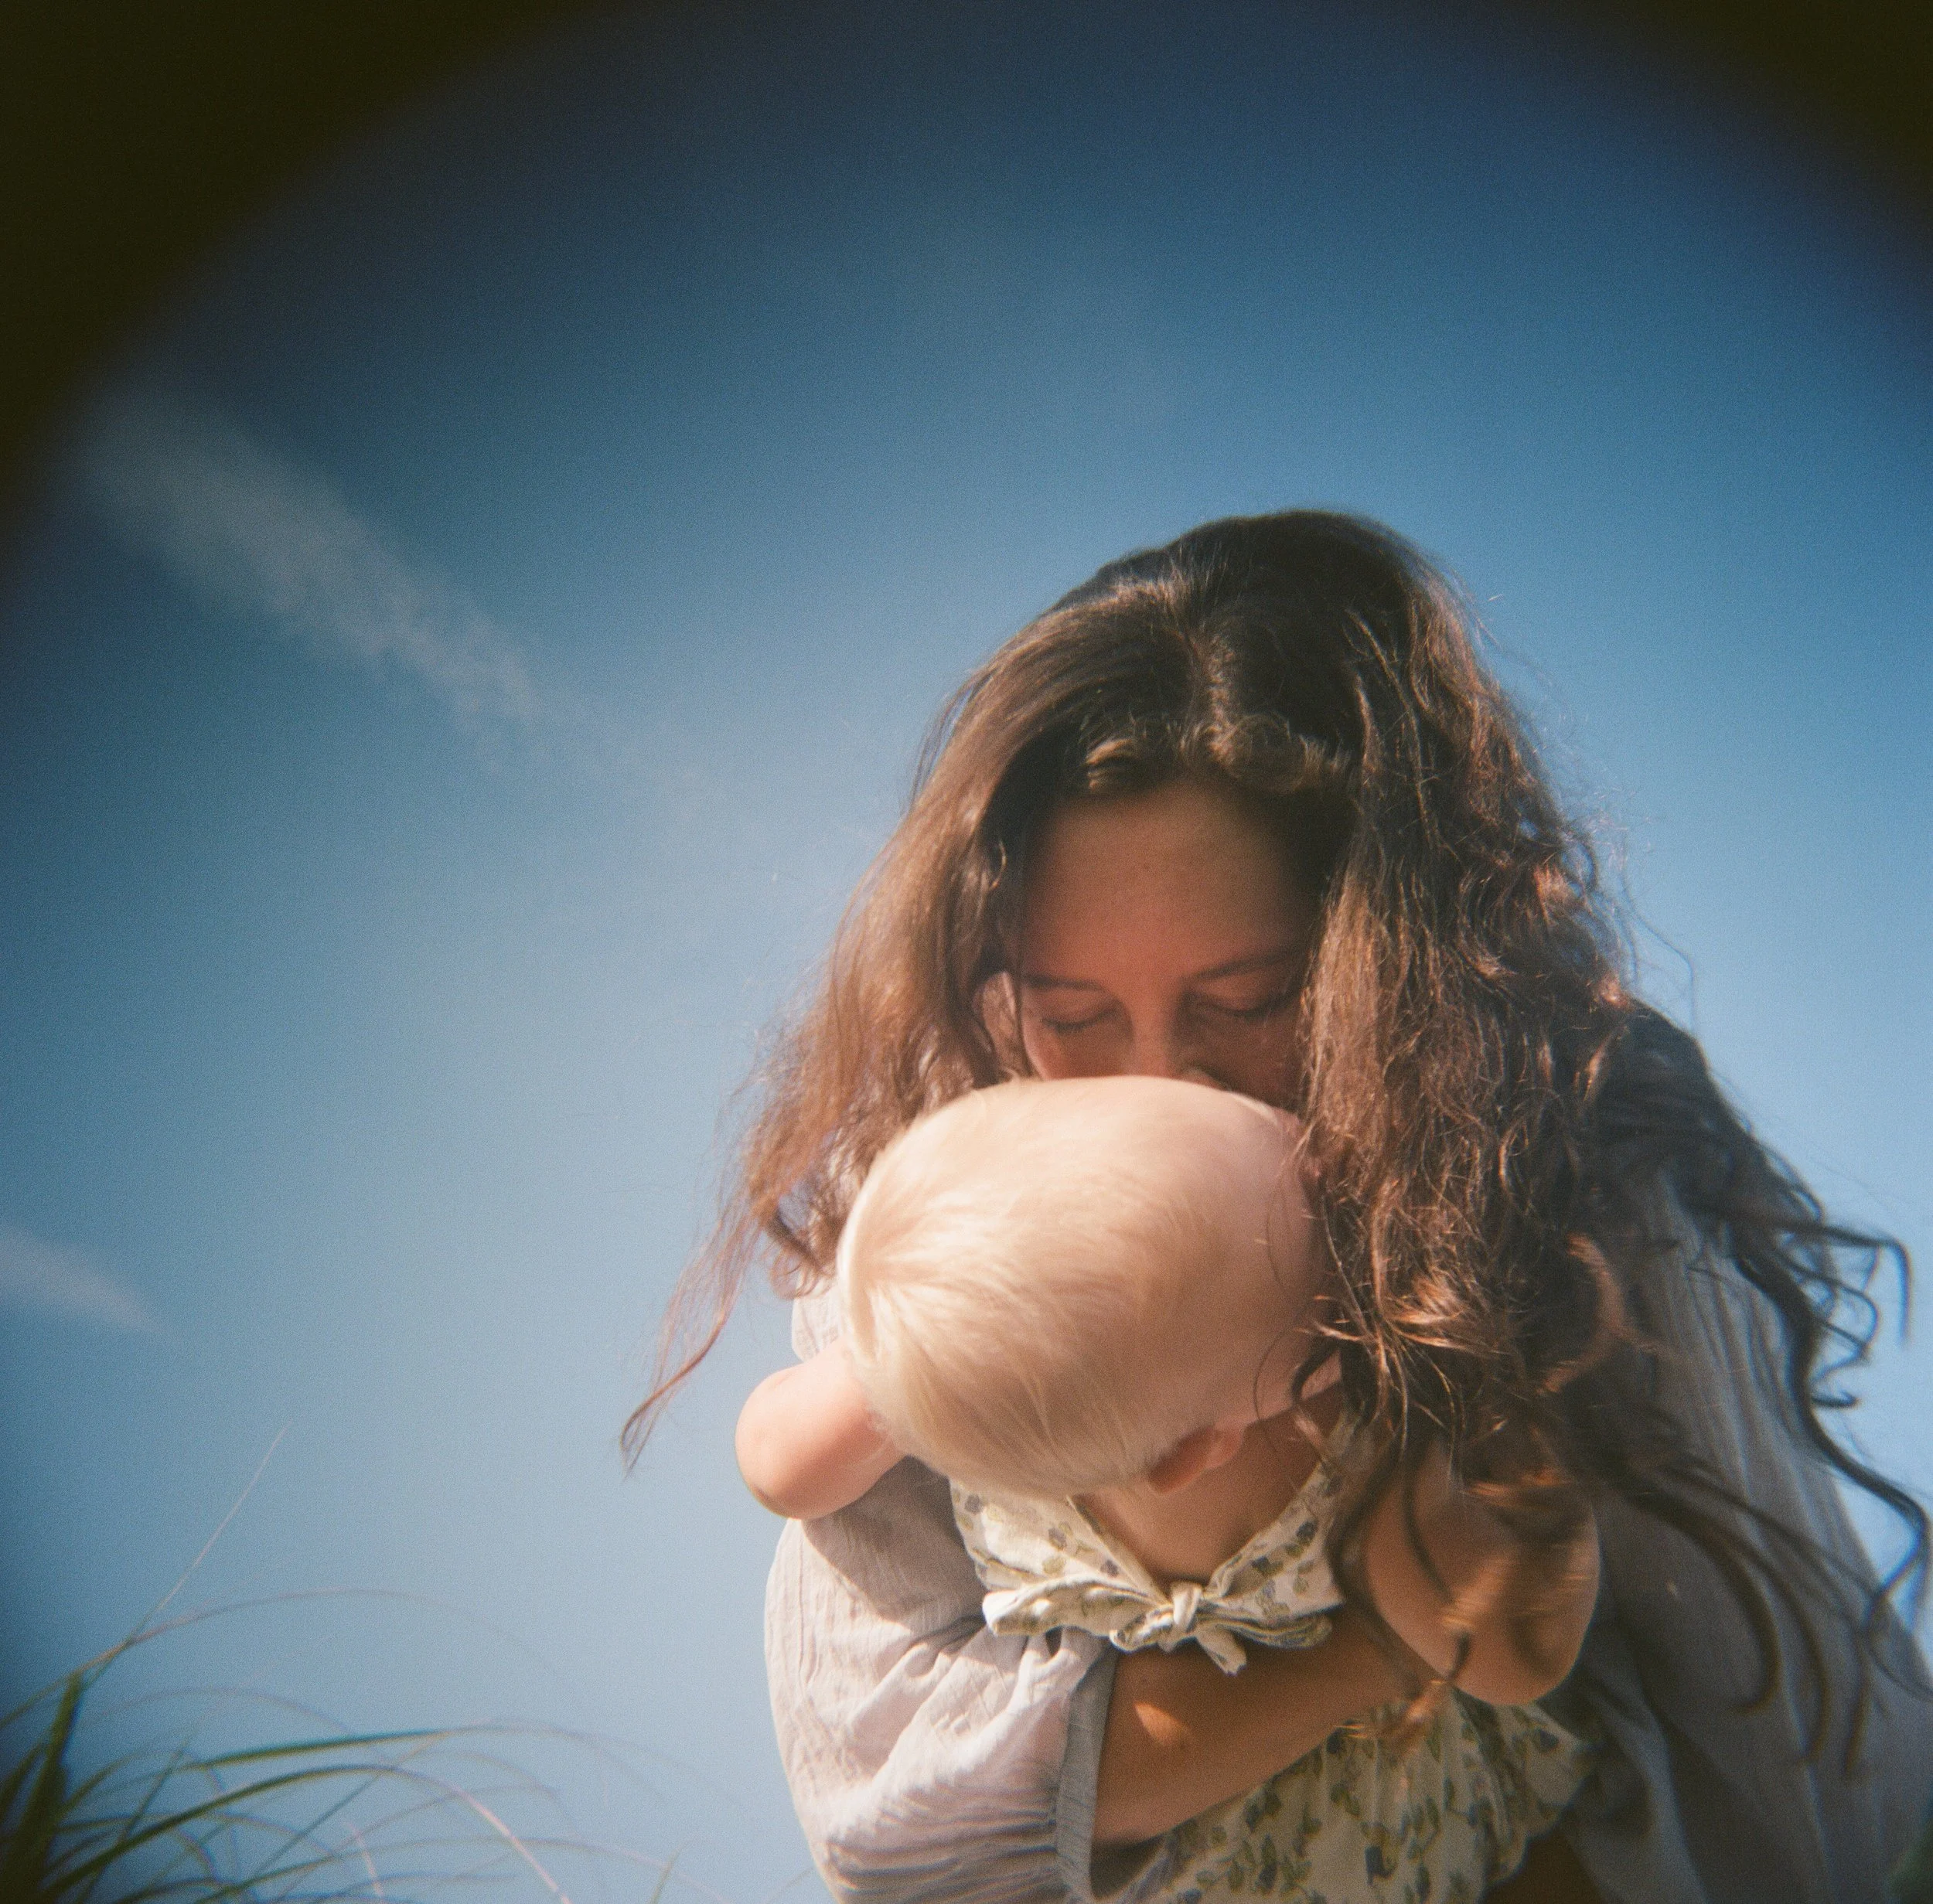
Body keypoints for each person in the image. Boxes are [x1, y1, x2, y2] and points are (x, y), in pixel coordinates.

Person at [630, 511, 1933, 1902]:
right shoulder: (944, 1233)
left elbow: (1779, 1747)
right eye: (1073, 1013)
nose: (1155, 1081)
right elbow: (901, 1799)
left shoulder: (1572, 1169)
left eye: (1247, 1004)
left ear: (1396, 964)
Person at [735, 1072, 1602, 1899]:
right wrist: (1516, 1431)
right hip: (1344, 1848)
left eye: (1273, 1128)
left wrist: (882, 1366)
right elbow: (1515, 1656)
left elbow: (774, 1461)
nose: (1334, 1181)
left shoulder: (1008, 1426)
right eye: (1327, 1292)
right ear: (1198, 1448)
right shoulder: (1341, 1475)